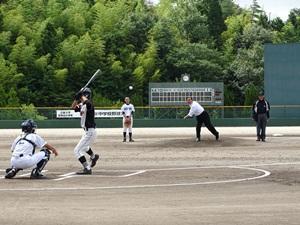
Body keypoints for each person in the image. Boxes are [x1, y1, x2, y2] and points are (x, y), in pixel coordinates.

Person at [71, 87, 99, 174]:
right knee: (85, 147)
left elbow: (88, 103)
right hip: (87, 132)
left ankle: (87, 168)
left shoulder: (89, 104)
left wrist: (81, 96)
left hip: (90, 131)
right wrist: (76, 99)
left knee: (77, 151)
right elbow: (72, 108)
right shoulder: (82, 105)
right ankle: (93, 157)